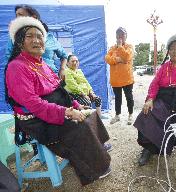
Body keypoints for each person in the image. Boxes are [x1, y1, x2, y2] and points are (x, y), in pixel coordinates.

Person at [4, 16, 111, 186]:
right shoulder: (17, 67)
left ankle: (96, 148)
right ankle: (95, 166)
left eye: (40, 36)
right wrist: (67, 112)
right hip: (35, 118)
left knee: (89, 112)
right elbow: (33, 104)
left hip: (54, 108)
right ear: (19, 42)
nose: (37, 40)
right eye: (30, 36)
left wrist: (76, 105)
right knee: (78, 125)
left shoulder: (42, 64)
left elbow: (59, 91)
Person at [133, 34, 176, 166]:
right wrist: (150, 99)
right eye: (172, 48)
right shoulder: (164, 68)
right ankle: (148, 148)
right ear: (168, 51)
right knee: (147, 114)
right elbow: (154, 85)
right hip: (164, 101)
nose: (175, 51)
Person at [5, 4, 68, 79]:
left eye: (20, 15)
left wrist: (62, 69)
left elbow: (64, 56)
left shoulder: (50, 38)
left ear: (34, 17)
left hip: (50, 79)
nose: (17, 19)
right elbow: (10, 58)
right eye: (16, 15)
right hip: (26, 78)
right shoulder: (15, 37)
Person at [105, 27, 134, 125]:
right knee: (117, 98)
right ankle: (117, 115)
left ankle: (130, 115)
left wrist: (120, 47)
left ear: (126, 36)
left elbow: (126, 57)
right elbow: (107, 59)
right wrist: (118, 59)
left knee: (129, 97)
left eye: (122, 34)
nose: (120, 36)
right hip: (115, 79)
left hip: (127, 78)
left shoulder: (129, 46)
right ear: (116, 36)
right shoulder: (112, 48)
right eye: (118, 34)